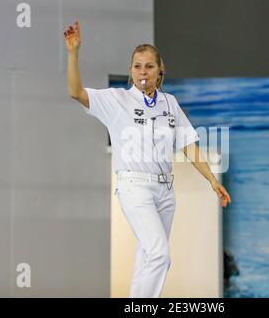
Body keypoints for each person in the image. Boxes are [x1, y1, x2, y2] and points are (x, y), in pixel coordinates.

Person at [63, 20, 231, 298]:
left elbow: (189, 145)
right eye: (137, 66)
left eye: (149, 66)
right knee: (159, 254)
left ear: (159, 71)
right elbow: (75, 92)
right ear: (130, 71)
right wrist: (73, 53)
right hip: (134, 187)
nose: (143, 71)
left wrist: (212, 180)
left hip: (166, 191)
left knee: (147, 259)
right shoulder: (116, 100)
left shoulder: (170, 103)